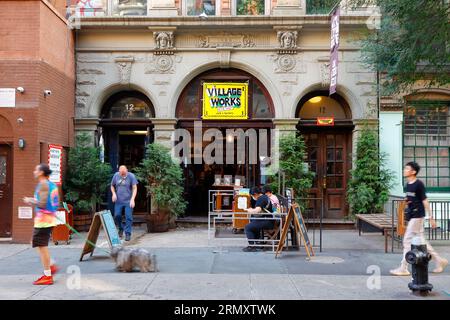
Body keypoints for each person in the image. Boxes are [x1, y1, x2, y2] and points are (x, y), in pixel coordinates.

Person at [390, 162, 448, 276]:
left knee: (407, 240)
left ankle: (403, 267)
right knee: (422, 241)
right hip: (413, 216)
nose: (404, 170)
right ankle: (440, 261)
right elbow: (410, 198)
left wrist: (431, 217)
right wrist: (405, 202)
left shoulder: (418, 184)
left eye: (407, 168)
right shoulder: (408, 184)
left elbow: (424, 200)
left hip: (417, 216)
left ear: (413, 172)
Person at [23, 164, 60, 285]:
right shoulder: (50, 184)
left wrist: (30, 200)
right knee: (36, 243)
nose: (34, 171)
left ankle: (47, 275)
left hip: (44, 221)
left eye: (36, 170)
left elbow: (42, 204)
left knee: (42, 246)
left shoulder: (44, 184)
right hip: (47, 220)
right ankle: (50, 266)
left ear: (41, 172)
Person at [111, 165, 138, 241]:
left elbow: (135, 188)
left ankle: (128, 233)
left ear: (127, 170)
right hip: (118, 201)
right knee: (117, 216)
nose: (122, 174)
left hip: (128, 201)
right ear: (119, 171)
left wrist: (133, 199)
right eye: (121, 173)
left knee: (128, 217)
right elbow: (112, 186)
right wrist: (113, 193)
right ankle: (121, 228)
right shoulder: (116, 175)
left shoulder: (131, 176)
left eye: (124, 173)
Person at [242, 186, 273, 252]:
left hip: (267, 221)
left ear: (255, 194)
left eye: (252, 195)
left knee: (248, 227)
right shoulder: (264, 197)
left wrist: (248, 210)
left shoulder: (261, 199)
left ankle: (252, 246)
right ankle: (257, 242)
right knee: (253, 221)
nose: (252, 197)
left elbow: (257, 210)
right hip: (268, 219)